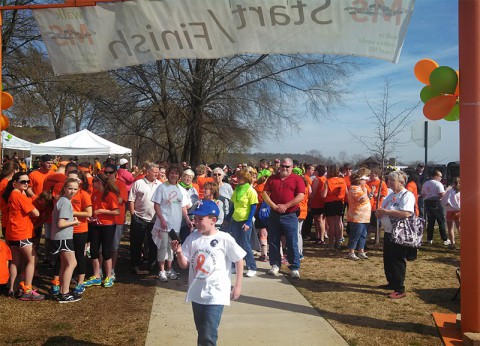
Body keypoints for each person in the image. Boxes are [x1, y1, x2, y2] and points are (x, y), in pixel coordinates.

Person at [171, 200, 245, 346]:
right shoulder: (192, 238)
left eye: (200, 219)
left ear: (213, 220)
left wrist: (238, 286)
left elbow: (239, 260)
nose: (196, 222)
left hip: (216, 294)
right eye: (195, 219)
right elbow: (184, 265)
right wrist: (179, 253)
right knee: (202, 331)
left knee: (208, 335)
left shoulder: (224, 238)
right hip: (197, 293)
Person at [262, 157, 304, 278]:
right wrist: (274, 206)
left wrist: (286, 206)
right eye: (283, 166)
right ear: (279, 167)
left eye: (287, 167)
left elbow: (300, 195)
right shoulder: (272, 178)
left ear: (292, 167)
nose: (284, 169)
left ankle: (294, 267)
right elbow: (265, 193)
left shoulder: (297, 179)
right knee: (273, 241)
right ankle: (275, 264)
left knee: (292, 241)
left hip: (290, 215)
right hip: (274, 214)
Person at [150, 164, 193, 282]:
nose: (174, 175)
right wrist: (162, 220)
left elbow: (183, 206)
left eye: (176, 173)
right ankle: (162, 271)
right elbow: (156, 205)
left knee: (172, 248)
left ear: (179, 175)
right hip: (163, 224)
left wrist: (188, 219)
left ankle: (170, 269)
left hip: (176, 224)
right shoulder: (162, 187)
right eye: (172, 173)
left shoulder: (181, 190)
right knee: (163, 247)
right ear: (168, 174)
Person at [4, 172, 43, 300]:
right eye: (23, 182)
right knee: (32, 260)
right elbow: (36, 213)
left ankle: (12, 288)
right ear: (15, 183)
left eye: (27, 182)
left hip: (13, 233)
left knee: (15, 262)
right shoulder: (19, 196)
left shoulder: (13, 194)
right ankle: (27, 289)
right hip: (22, 233)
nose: (26, 184)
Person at [376, 171, 415, 299]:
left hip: (400, 233)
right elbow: (384, 209)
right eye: (389, 180)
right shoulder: (390, 195)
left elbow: (406, 213)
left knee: (397, 260)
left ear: (401, 182)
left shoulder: (406, 195)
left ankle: (399, 288)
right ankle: (392, 282)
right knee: (388, 259)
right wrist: (379, 213)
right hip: (388, 231)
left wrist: (386, 212)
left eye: (392, 181)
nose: (389, 183)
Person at [83, 172, 120, 288]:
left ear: (99, 182)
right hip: (95, 224)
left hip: (107, 226)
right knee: (94, 251)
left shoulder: (110, 195)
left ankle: (108, 276)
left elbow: (116, 211)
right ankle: (96, 275)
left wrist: (101, 211)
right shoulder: (94, 194)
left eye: (94, 181)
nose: (92, 183)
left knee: (106, 251)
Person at [51, 178, 82, 303]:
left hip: (61, 237)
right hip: (63, 237)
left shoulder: (63, 201)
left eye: (75, 189)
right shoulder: (65, 202)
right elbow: (61, 223)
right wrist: (74, 222)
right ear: (64, 188)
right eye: (70, 188)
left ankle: (63, 291)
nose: (72, 191)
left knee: (65, 265)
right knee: (72, 263)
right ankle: (64, 293)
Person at [128, 163, 161, 274]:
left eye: (158, 172)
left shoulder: (160, 185)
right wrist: (133, 214)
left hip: (154, 219)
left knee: (153, 243)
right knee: (136, 243)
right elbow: (131, 199)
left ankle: (152, 266)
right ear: (148, 172)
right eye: (155, 172)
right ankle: (135, 265)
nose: (157, 174)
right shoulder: (138, 183)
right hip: (139, 218)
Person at [230, 168, 258, 278]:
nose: (238, 179)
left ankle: (252, 267)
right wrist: (227, 219)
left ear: (245, 179)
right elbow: (233, 206)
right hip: (235, 220)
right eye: (238, 177)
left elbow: (253, 208)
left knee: (245, 244)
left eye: (240, 177)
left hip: (245, 221)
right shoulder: (237, 190)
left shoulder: (251, 191)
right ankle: (234, 265)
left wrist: (248, 222)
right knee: (235, 244)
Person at [346, 170, 371, 260]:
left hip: (364, 217)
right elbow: (361, 200)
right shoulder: (354, 189)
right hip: (357, 216)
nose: (366, 181)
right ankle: (351, 252)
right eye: (364, 179)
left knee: (363, 234)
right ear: (359, 180)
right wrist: (365, 191)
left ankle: (361, 250)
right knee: (355, 235)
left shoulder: (360, 188)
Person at [321, 165, 347, 249]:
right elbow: (347, 192)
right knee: (338, 223)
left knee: (331, 224)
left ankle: (331, 243)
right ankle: (338, 243)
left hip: (329, 203)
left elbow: (323, 195)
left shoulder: (328, 181)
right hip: (339, 203)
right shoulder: (342, 181)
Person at [421, 170, 449, 245]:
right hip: (436, 202)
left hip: (427, 202)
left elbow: (423, 194)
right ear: (436, 176)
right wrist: (446, 191)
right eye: (440, 176)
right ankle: (445, 239)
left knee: (430, 221)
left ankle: (429, 239)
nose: (441, 178)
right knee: (441, 221)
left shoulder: (425, 183)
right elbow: (442, 194)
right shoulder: (438, 184)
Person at [441, 177, 460, 249]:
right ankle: (463, 242)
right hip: (459, 211)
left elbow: (444, 201)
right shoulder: (462, 190)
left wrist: (446, 204)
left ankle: (452, 243)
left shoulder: (450, 191)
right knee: (459, 227)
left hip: (450, 211)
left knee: (450, 228)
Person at [310, 164, 327, 245]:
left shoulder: (317, 180)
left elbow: (313, 192)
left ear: (317, 171)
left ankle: (321, 238)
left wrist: (309, 201)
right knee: (318, 220)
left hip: (317, 202)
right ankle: (318, 236)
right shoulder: (324, 179)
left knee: (319, 220)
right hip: (322, 201)